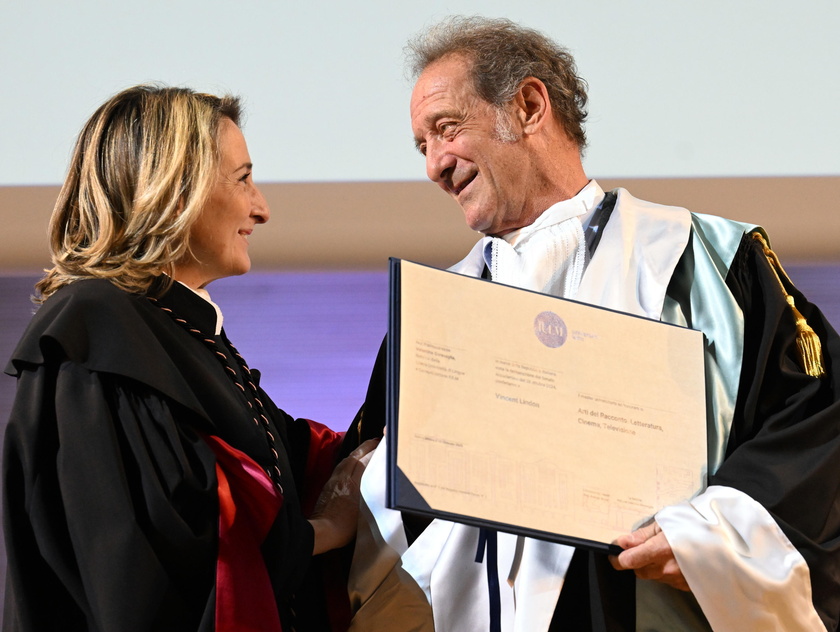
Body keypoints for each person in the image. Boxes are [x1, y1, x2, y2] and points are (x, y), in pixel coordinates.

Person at [342, 16, 840, 632]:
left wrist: (709, 536)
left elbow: (818, 418)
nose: (434, 167)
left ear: (527, 106)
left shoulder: (708, 261)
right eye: (422, 147)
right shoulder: (429, 316)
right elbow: (377, 502)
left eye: (446, 130)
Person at [2, 84, 376, 631]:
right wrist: (326, 530)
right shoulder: (95, 331)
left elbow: (282, 467)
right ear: (175, 191)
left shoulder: (177, 330)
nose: (262, 208)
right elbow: (160, 551)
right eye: (243, 179)